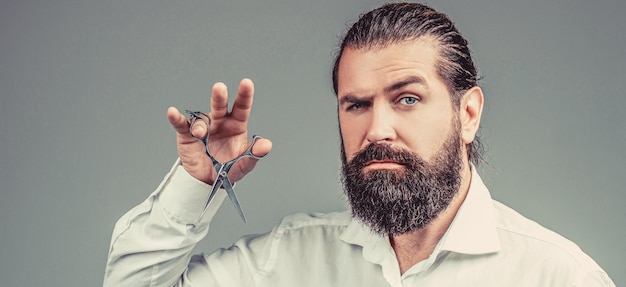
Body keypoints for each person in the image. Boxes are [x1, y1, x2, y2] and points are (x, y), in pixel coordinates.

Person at [104, 3, 614, 286]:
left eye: (408, 99)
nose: (377, 130)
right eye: (357, 104)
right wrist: (198, 183)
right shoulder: (289, 259)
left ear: (468, 113)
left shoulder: (558, 276)